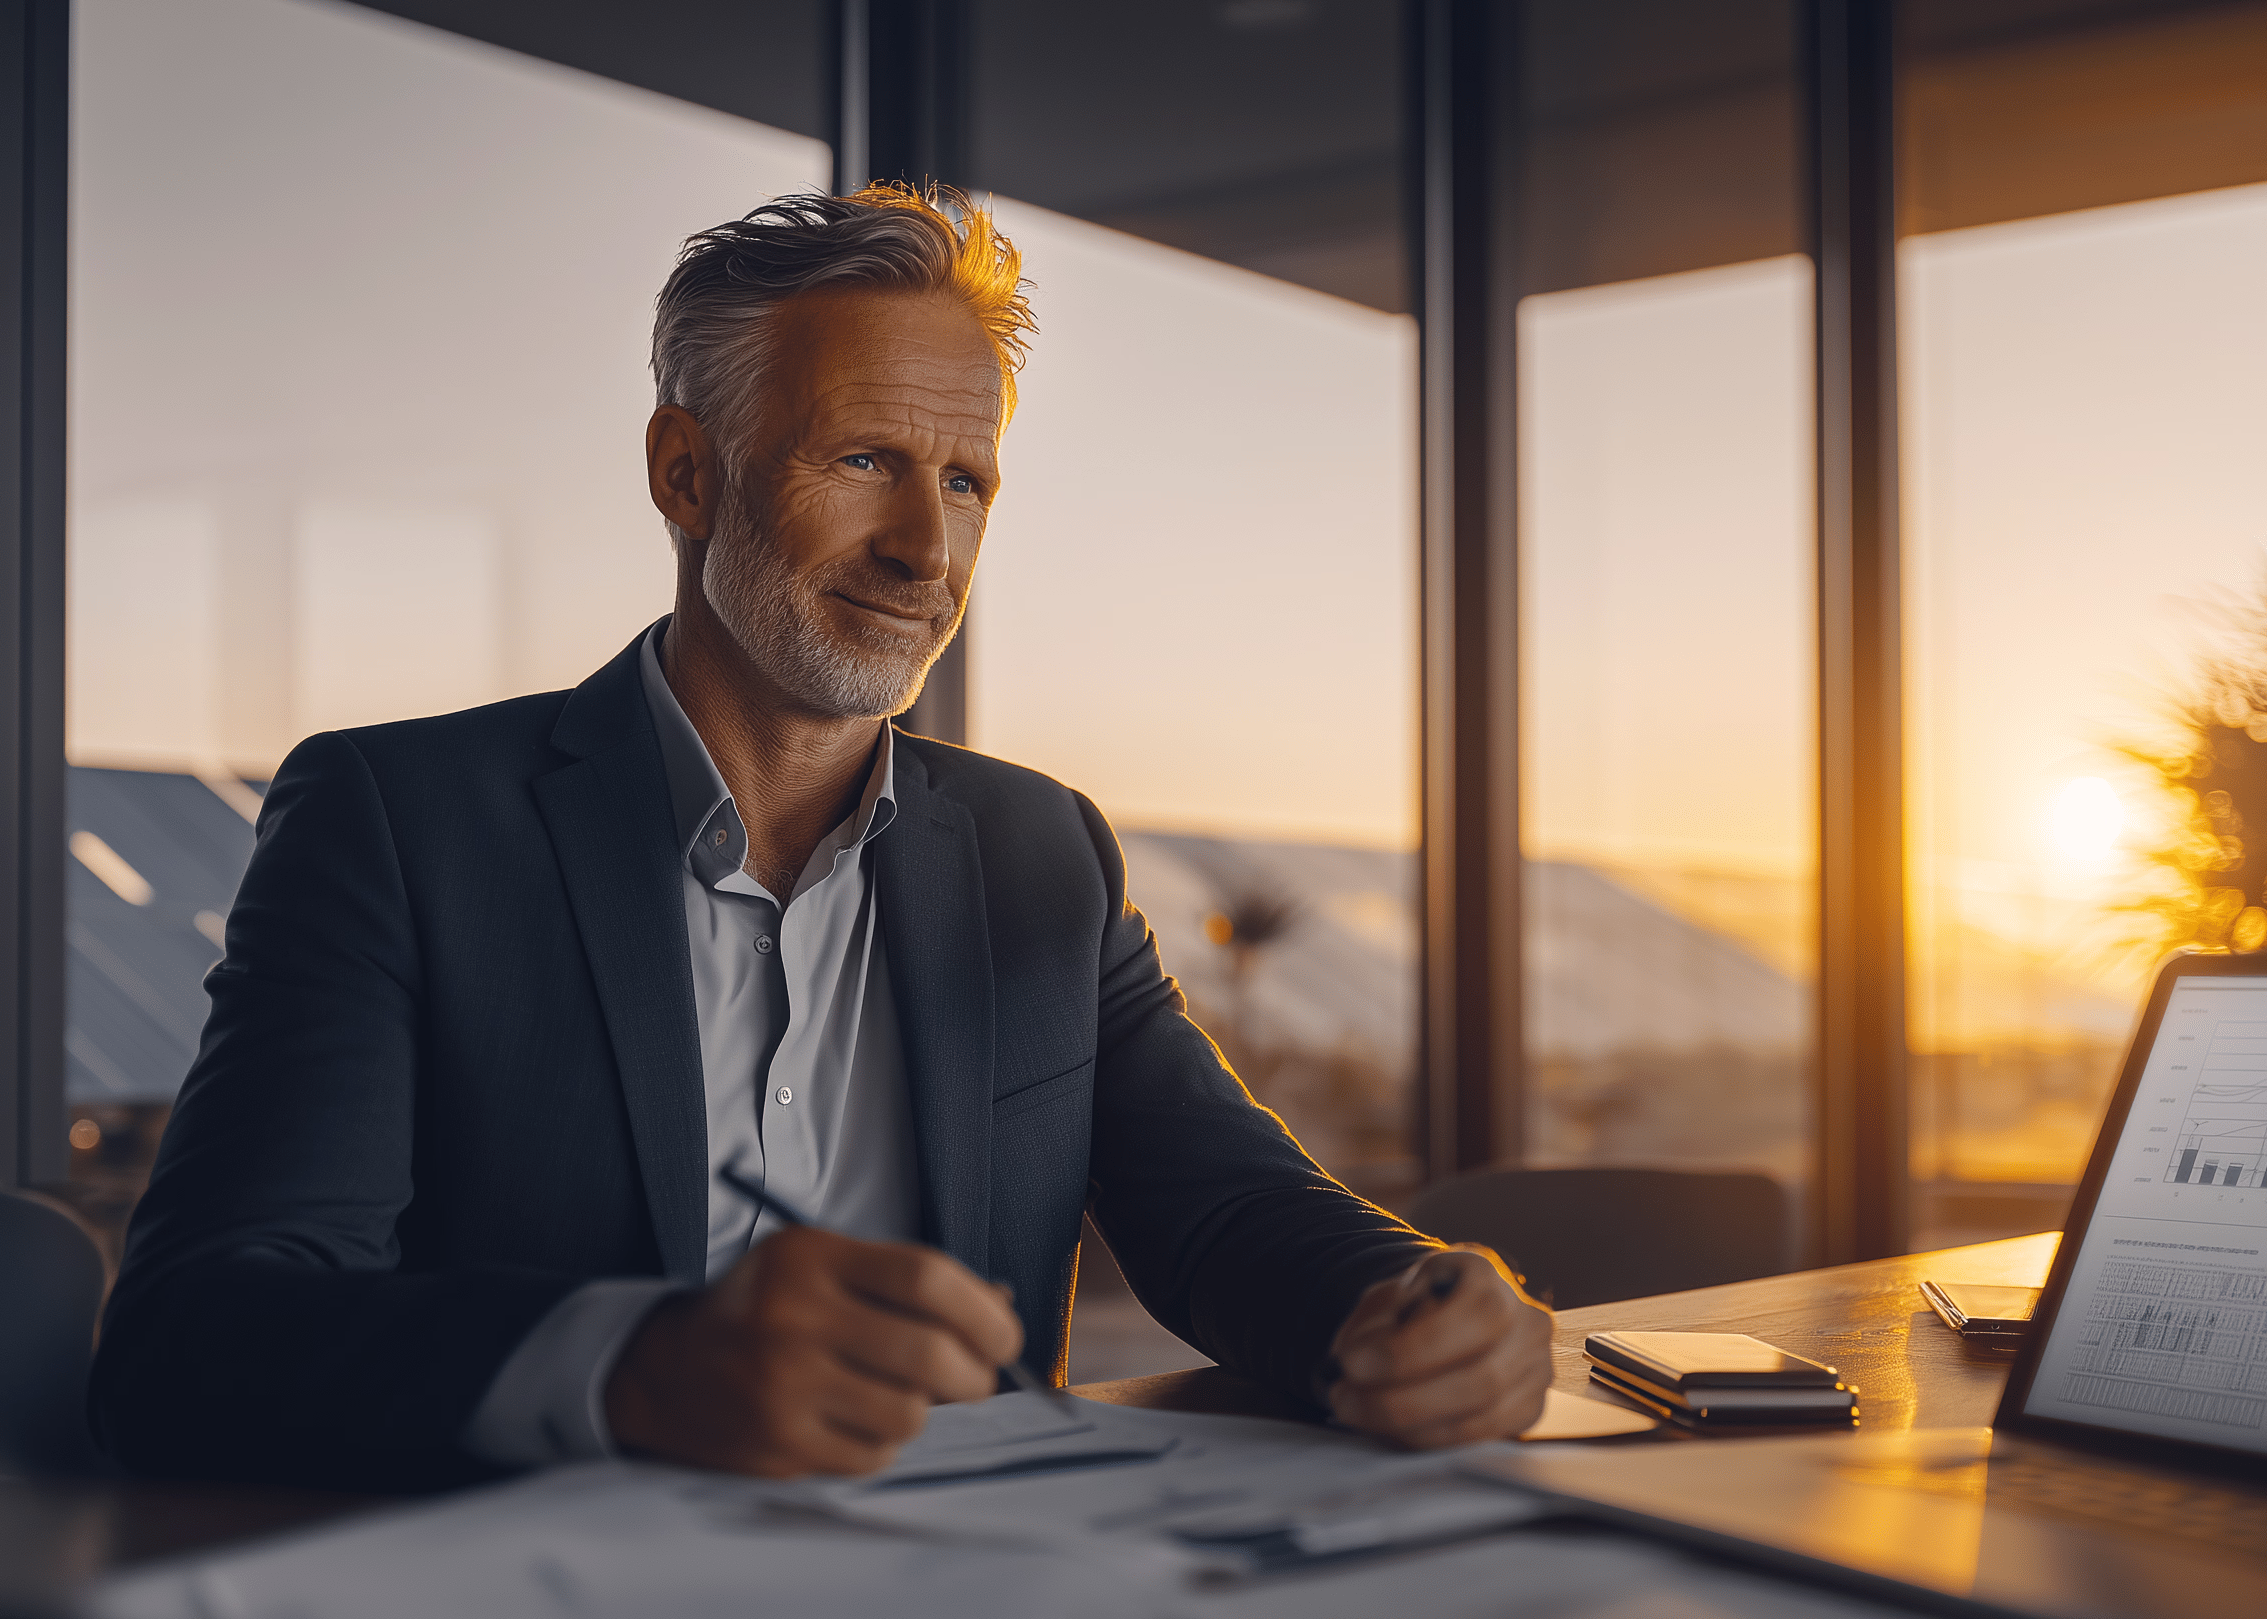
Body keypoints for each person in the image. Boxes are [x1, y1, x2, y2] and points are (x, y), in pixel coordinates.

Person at [89, 186, 1552, 1492]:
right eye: (863, 460)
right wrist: (632, 1365)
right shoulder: (400, 820)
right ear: (685, 474)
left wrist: (1410, 1304)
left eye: (966, 481)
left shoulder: (1046, 851)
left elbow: (1227, 1211)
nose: (928, 547)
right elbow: (195, 1331)